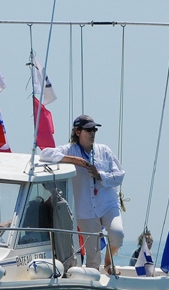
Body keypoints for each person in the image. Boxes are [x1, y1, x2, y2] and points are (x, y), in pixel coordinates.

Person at [39, 114, 125, 274]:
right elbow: (45, 154)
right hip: (85, 209)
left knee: (117, 234)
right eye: (88, 129)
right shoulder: (70, 150)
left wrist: (100, 175)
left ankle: (108, 262)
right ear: (78, 132)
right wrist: (73, 160)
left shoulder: (104, 151)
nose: (92, 133)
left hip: (108, 204)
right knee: (92, 257)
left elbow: (120, 174)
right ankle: (95, 286)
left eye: (94, 129)